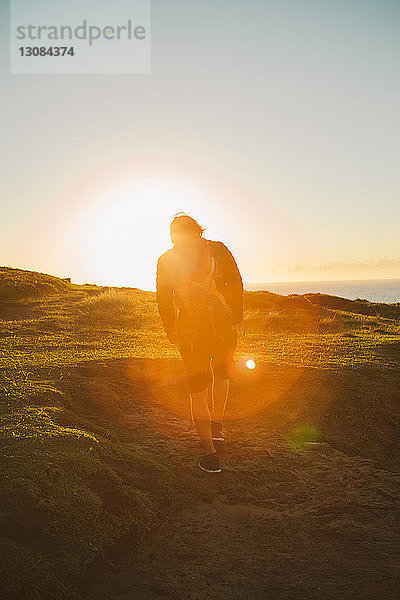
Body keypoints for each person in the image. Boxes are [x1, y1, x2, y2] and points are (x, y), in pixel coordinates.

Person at [156, 212, 244, 473]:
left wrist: (171, 330)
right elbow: (236, 283)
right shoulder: (217, 250)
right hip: (222, 327)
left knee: (198, 388)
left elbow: (164, 299)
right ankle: (216, 428)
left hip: (192, 332)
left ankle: (210, 455)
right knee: (221, 376)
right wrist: (234, 318)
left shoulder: (167, 259)